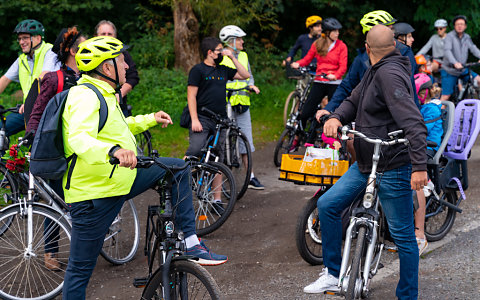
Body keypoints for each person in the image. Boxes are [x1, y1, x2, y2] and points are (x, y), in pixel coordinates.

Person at [62, 36, 227, 300]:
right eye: (120, 61)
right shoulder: (84, 96)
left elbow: (119, 127)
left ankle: (189, 242)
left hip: (116, 181)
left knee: (176, 168)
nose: (126, 66)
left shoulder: (103, 93)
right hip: (93, 195)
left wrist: (149, 119)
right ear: (106, 68)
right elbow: (79, 138)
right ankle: (189, 242)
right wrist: (113, 151)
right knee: (80, 270)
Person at [303, 25, 428, 299]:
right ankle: (334, 275)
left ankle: (407, 295)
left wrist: (419, 167)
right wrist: (335, 116)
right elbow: (353, 99)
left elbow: (415, 124)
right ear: (393, 46)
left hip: (393, 166)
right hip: (368, 162)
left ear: (367, 48)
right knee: (328, 204)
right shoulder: (375, 70)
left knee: (404, 237)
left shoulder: (390, 75)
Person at [23, 26, 87, 271]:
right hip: (59, 149)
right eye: (82, 47)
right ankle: (51, 252)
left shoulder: (90, 79)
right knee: (54, 201)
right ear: (71, 51)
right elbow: (37, 112)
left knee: (81, 200)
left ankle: (84, 244)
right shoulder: (54, 79)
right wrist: (31, 136)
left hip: (83, 148)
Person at [316, 9, 420, 123]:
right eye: (388, 29)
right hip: (370, 119)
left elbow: (406, 90)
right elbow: (347, 86)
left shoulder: (404, 52)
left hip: (400, 118)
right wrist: (329, 109)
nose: (393, 34)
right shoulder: (361, 59)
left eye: (392, 29)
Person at [185, 37, 249, 159]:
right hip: (202, 118)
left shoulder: (223, 69)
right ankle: (179, 175)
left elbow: (245, 75)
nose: (222, 53)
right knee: (195, 150)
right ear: (210, 53)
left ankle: (213, 177)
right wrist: (194, 119)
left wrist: (232, 57)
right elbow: (191, 96)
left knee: (218, 156)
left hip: (220, 119)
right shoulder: (197, 70)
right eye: (219, 50)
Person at [219, 25, 264, 190]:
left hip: (243, 103)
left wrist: (251, 85)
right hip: (226, 103)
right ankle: (218, 177)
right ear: (231, 41)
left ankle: (250, 177)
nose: (242, 41)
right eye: (239, 39)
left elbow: (248, 75)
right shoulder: (220, 57)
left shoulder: (243, 55)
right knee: (222, 142)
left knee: (246, 139)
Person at [291, 17, 347, 147]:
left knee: (333, 113)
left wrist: (335, 75)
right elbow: (307, 59)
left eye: (338, 31)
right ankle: (298, 136)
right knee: (305, 112)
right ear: (327, 32)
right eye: (334, 31)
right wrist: (297, 64)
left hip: (334, 83)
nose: (337, 33)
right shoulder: (317, 44)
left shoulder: (341, 46)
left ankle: (333, 140)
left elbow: (343, 66)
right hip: (320, 81)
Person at [0, 19, 60, 137]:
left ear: (38, 38)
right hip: (27, 109)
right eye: (20, 39)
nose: (21, 42)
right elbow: (5, 80)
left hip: (46, 110)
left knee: (35, 147)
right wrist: (28, 105)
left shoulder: (50, 52)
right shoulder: (22, 59)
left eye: (25, 38)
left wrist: (29, 103)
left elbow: (43, 78)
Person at [413, 73, 443, 256]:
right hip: (418, 144)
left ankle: (420, 233)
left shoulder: (431, 108)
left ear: (426, 92)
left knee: (412, 175)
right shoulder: (422, 106)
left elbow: (422, 130)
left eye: (418, 94)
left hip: (428, 146)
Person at [94, 20, 140, 116]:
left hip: (118, 106)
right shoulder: (89, 55)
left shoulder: (122, 54)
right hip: (94, 105)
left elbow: (133, 77)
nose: (106, 36)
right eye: (103, 33)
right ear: (96, 36)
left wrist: (119, 94)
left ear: (115, 36)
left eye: (110, 34)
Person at [440, 15, 480, 101]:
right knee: (446, 96)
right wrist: (455, 62)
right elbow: (447, 51)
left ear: (465, 26)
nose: (460, 26)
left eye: (462, 24)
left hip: (462, 69)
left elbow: (473, 48)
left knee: (479, 80)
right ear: (454, 26)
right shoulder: (449, 36)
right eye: (457, 24)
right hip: (449, 70)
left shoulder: (467, 37)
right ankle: (438, 114)